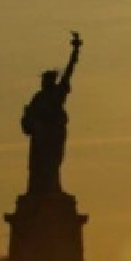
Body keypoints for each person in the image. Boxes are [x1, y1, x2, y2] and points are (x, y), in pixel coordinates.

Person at [22, 32, 82, 195]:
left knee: (51, 164)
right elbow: (28, 121)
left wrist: (75, 51)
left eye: (45, 80)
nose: (42, 82)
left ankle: (51, 189)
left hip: (52, 136)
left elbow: (69, 72)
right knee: (38, 165)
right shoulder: (38, 97)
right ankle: (40, 190)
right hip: (40, 138)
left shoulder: (57, 93)